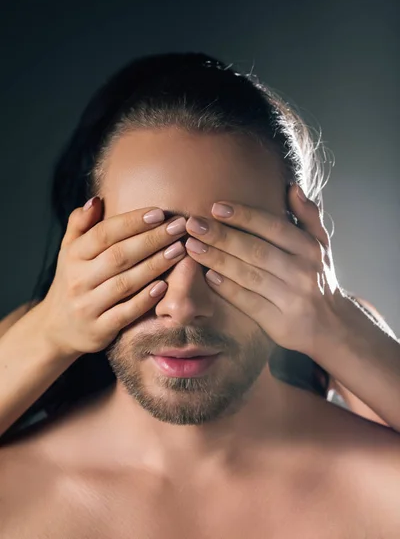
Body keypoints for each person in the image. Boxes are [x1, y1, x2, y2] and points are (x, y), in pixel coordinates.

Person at [1, 52, 400, 538]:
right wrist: (49, 329)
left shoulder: (384, 489)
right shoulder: (14, 493)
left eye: (233, 254)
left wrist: (336, 321)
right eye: (142, 254)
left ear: (302, 258)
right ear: (79, 255)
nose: (183, 304)